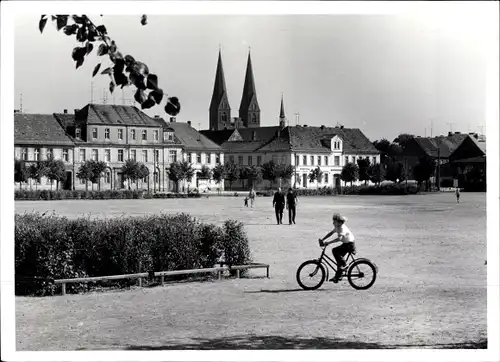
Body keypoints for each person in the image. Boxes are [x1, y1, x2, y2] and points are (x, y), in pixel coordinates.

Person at [318, 213, 356, 283]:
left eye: (334, 221)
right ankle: (338, 275)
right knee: (337, 256)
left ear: (339, 222)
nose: (333, 223)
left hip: (350, 245)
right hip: (346, 243)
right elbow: (331, 233)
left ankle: (345, 265)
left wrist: (328, 242)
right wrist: (323, 239)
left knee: (336, 252)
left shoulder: (342, 228)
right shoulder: (337, 226)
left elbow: (339, 238)